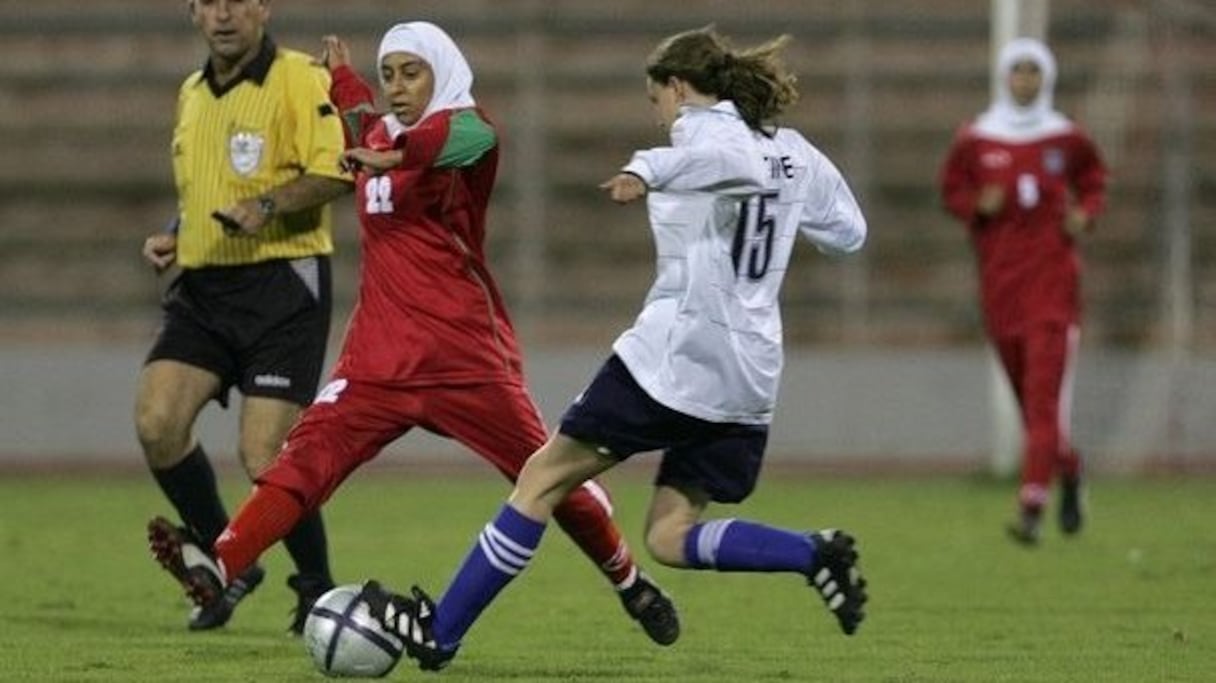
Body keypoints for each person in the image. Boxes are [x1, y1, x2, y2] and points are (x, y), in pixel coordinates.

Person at [146, 21, 681, 648]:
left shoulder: (468, 134)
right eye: (390, 74)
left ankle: (629, 581)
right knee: (300, 461)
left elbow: (464, 134)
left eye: (412, 72)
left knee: (550, 479)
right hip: (377, 359)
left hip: (464, 358)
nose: (397, 87)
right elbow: (358, 118)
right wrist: (344, 80)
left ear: (443, 72)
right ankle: (222, 563)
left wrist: (397, 153)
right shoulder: (376, 133)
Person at [355, 26, 870, 671]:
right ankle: (812, 553)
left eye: (655, 99)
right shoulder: (794, 152)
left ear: (677, 89)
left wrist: (646, 168)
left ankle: (442, 632)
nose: (657, 114)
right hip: (750, 374)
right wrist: (786, 209)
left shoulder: (706, 139)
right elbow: (850, 233)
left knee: (540, 479)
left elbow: (729, 163)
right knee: (669, 535)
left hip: (676, 356)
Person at [135, 0, 352, 632]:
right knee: (157, 422)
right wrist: (178, 232)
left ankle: (315, 586)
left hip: (282, 286)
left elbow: (335, 169)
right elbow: (203, 187)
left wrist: (269, 205)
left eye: (238, 1)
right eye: (211, 3)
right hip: (204, 287)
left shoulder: (299, 77)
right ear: (192, 13)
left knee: (265, 458)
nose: (224, 15)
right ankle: (226, 557)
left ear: (263, 8)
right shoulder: (191, 93)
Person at [939, 37, 1107, 545]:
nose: (1026, 80)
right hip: (1001, 290)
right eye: (1019, 71)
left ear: (1047, 77)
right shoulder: (976, 139)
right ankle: (1070, 470)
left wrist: (1085, 214)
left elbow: (1095, 179)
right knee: (1031, 408)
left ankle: (1032, 502)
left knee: (1041, 402)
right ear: (1005, 77)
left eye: (1034, 71)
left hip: (1054, 288)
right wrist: (977, 206)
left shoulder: (1067, 138)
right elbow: (951, 190)